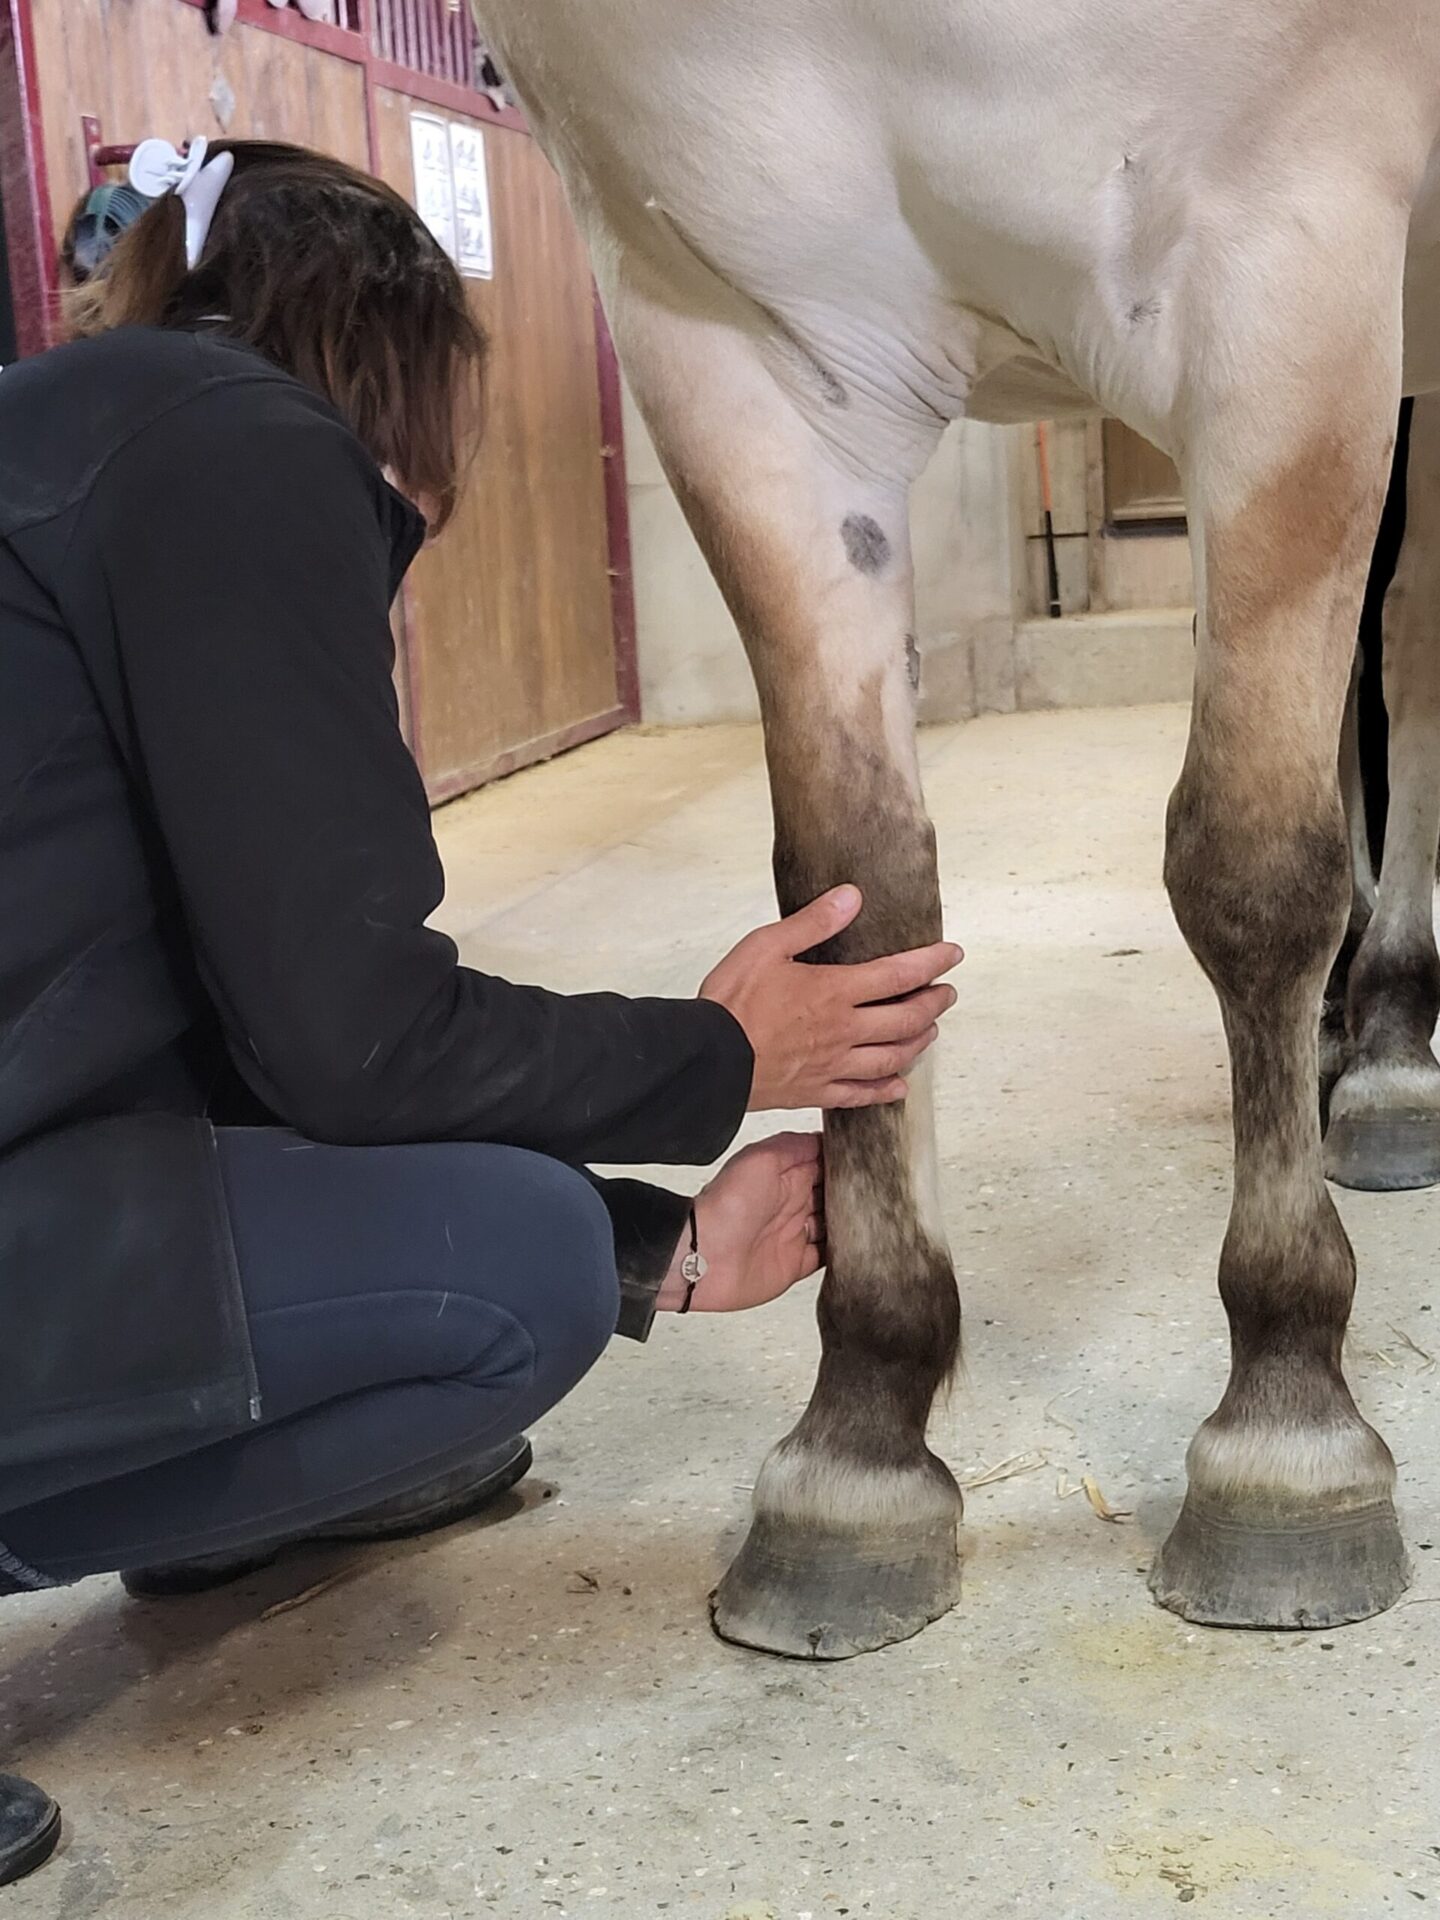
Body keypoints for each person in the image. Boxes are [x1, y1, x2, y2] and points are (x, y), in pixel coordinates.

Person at [0, 140, 959, 1883]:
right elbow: (345, 1036)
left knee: (534, 1246)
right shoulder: (241, 449)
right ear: (394, 358)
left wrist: (660, 1247)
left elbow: (234, 1037)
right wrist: (715, 1060)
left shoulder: (73, 436)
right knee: (501, 1269)